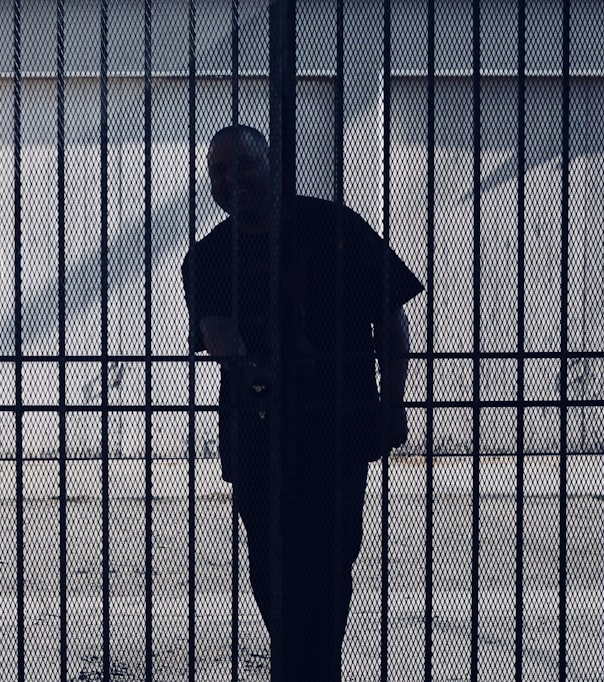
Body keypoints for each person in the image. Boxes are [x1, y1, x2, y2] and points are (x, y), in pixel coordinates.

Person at [181, 125, 423, 680]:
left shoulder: (335, 228)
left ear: (271, 163)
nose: (229, 179)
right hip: (260, 429)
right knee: (269, 564)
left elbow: (390, 320)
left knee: (331, 562)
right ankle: (307, 666)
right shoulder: (212, 255)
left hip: (338, 424)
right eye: (218, 170)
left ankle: (308, 667)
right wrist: (249, 372)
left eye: (241, 164)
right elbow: (216, 330)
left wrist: (394, 402)